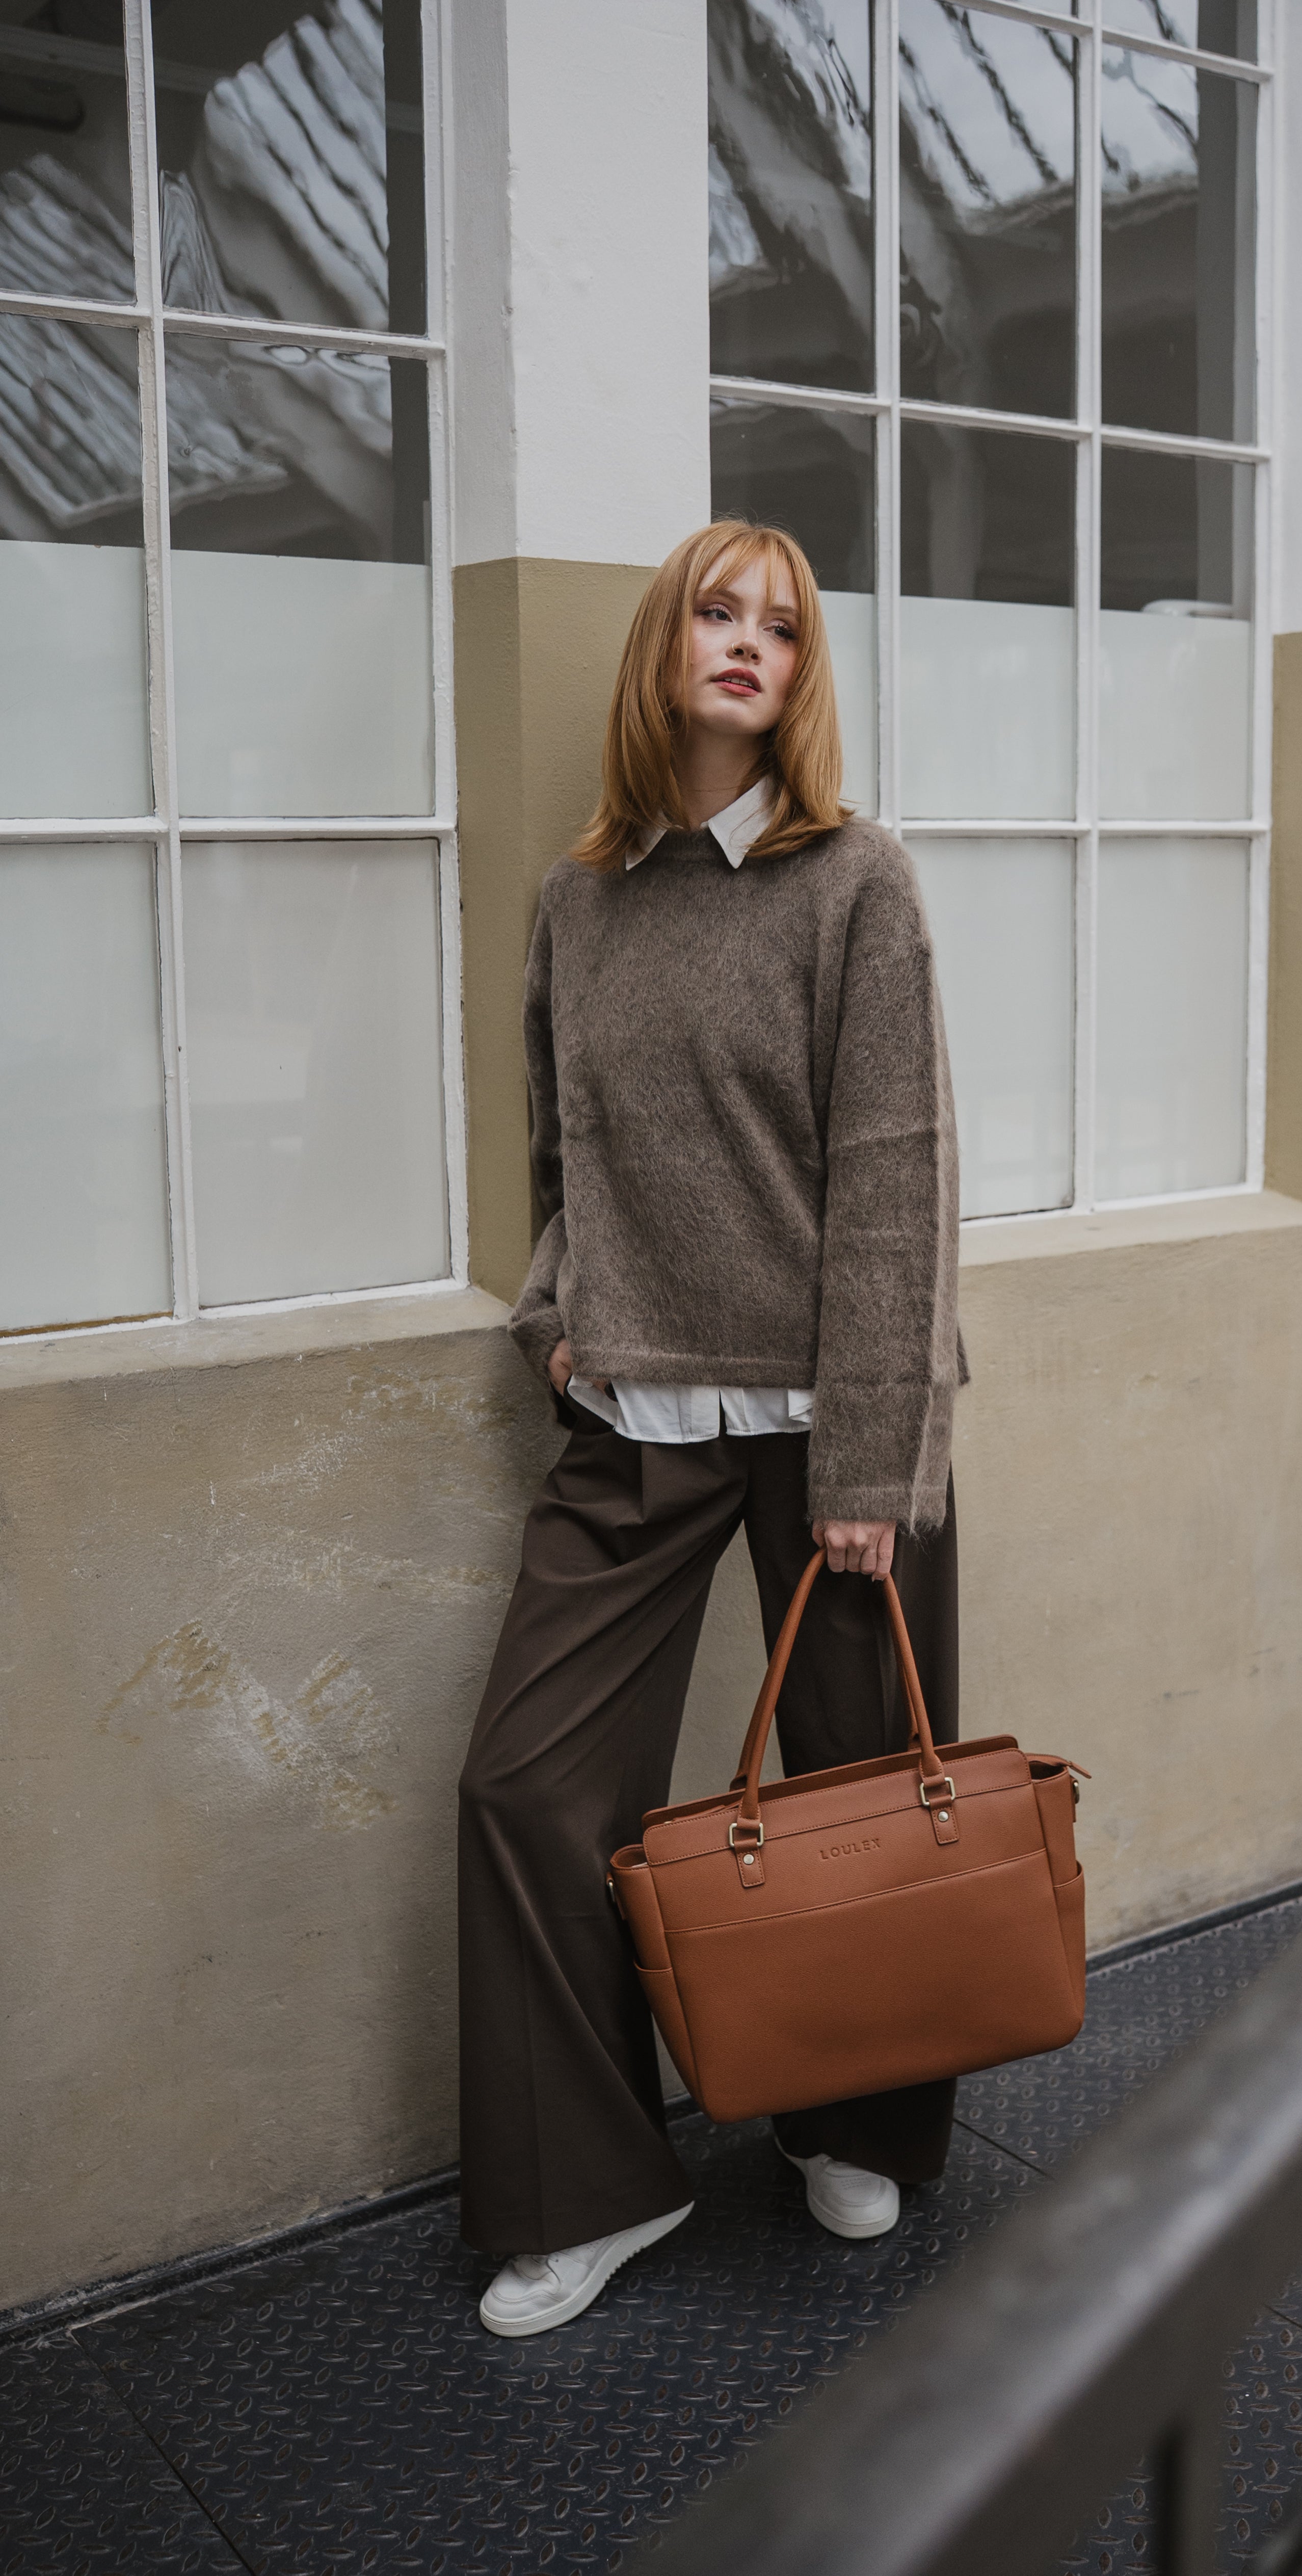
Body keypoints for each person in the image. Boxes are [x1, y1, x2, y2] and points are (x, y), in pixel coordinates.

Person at [457, 519, 965, 2340]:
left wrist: (866, 1468)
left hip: (839, 1423)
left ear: (802, 675)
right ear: (661, 647)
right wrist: (555, 1311)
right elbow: (556, 1146)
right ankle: (590, 2187)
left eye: (781, 625)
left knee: (851, 1786)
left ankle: (862, 2128)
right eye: (714, 611)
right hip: (635, 1410)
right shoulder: (581, 898)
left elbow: (897, 1185)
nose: (746, 643)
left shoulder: (854, 884)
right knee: (527, 1788)